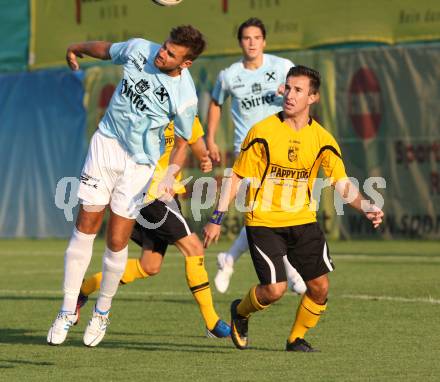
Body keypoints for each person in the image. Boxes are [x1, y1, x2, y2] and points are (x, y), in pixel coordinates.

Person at [203, 65, 384, 352]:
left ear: (313, 97)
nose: (289, 94)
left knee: (319, 288)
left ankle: (295, 338)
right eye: (288, 87)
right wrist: (216, 217)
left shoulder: (323, 139)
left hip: (302, 221)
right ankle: (240, 311)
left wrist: (366, 205)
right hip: (263, 221)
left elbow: (342, 184)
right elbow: (236, 176)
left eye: (298, 90)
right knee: (275, 290)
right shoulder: (262, 131)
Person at [47, 25, 206, 347]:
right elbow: (106, 48)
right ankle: (66, 311)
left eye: (171, 54)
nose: (162, 54)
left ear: (185, 63)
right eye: (164, 46)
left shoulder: (185, 95)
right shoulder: (139, 49)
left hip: (139, 164)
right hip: (106, 144)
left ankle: (102, 312)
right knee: (85, 224)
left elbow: (192, 136)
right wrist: (76, 46)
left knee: (117, 240)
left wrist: (205, 157)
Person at [76, 117, 230, 338]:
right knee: (194, 248)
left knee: (149, 266)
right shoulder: (142, 109)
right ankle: (212, 322)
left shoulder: (185, 109)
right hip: (148, 194)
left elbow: (190, 144)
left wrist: (204, 157)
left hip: (161, 194)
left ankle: (83, 291)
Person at [206, 17, 306, 294]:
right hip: (249, 149)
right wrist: (210, 138)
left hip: (283, 147)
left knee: (267, 212)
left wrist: (288, 91)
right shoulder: (229, 75)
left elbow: (301, 92)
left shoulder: (282, 67)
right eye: (246, 38)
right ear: (240, 42)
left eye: (256, 38)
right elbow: (216, 104)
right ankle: (293, 272)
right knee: (270, 211)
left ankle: (228, 258)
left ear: (264, 41)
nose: (251, 43)